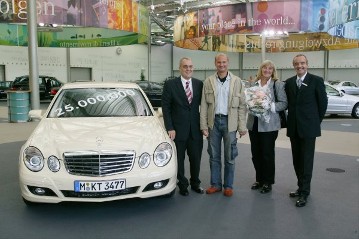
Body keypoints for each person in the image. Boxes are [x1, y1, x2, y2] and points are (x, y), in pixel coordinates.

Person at [200, 53, 247, 197]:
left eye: (224, 62)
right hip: (213, 122)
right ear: (215, 63)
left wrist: (242, 126)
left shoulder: (237, 81)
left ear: (228, 63)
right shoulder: (208, 81)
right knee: (214, 156)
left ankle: (228, 186)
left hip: (230, 122)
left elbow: (242, 106)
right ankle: (215, 184)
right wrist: (203, 126)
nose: (221, 65)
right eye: (219, 62)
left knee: (230, 155)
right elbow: (203, 105)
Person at [285, 54, 327, 207]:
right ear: (293, 65)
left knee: (307, 161)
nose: (299, 66)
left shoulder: (316, 81)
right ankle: (300, 186)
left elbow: (322, 104)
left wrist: (315, 122)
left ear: (307, 64)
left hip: (309, 129)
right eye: (296, 64)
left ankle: (305, 192)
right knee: (297, 159)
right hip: (294, 128)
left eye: (302, 63)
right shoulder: (289, 83)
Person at [162, 57, 204, 196]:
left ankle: (195, 183)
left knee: (195, 159)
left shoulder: (199, 84)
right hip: (178, 130)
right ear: (180, 68)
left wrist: (204, 126)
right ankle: (183, 185)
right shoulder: (170, 84)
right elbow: (166, 108)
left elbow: (203, 106)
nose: (188, 69)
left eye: (191, 66)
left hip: (195, 130)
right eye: (185, 66)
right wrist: (170, 127)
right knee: (179, 160)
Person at [246, 60, 287, 194]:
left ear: (273, 71)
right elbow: (248, 100)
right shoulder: (253, 83)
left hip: (269, 125)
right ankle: (259, 179)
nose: (267, 70)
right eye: (265, 67)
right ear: (261, 69)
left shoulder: (277, 85)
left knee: (267, 154)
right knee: (255, 154)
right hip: (254, 124)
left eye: (270, 68)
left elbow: (284, 103)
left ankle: (267, 182)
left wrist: (269, 106)